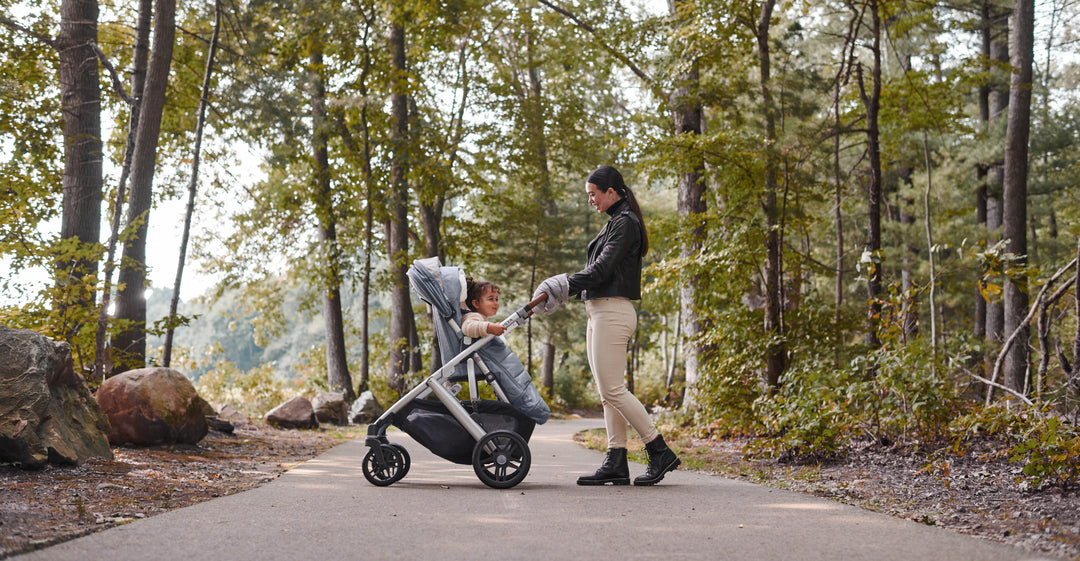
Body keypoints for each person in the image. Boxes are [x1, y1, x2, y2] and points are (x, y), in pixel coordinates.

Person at [533, 165, 681, 486]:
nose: (591, 200)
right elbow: (599, 271)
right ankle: (616, 459)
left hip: (613, 311)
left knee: (613, 390)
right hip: (600, 312)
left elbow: (601, 270)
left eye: (593, 194)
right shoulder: (616, 222)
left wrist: (563, 283)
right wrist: (566, 286)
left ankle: (658, 450)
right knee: (607, 392)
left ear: (611, 192)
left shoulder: (625, 224)